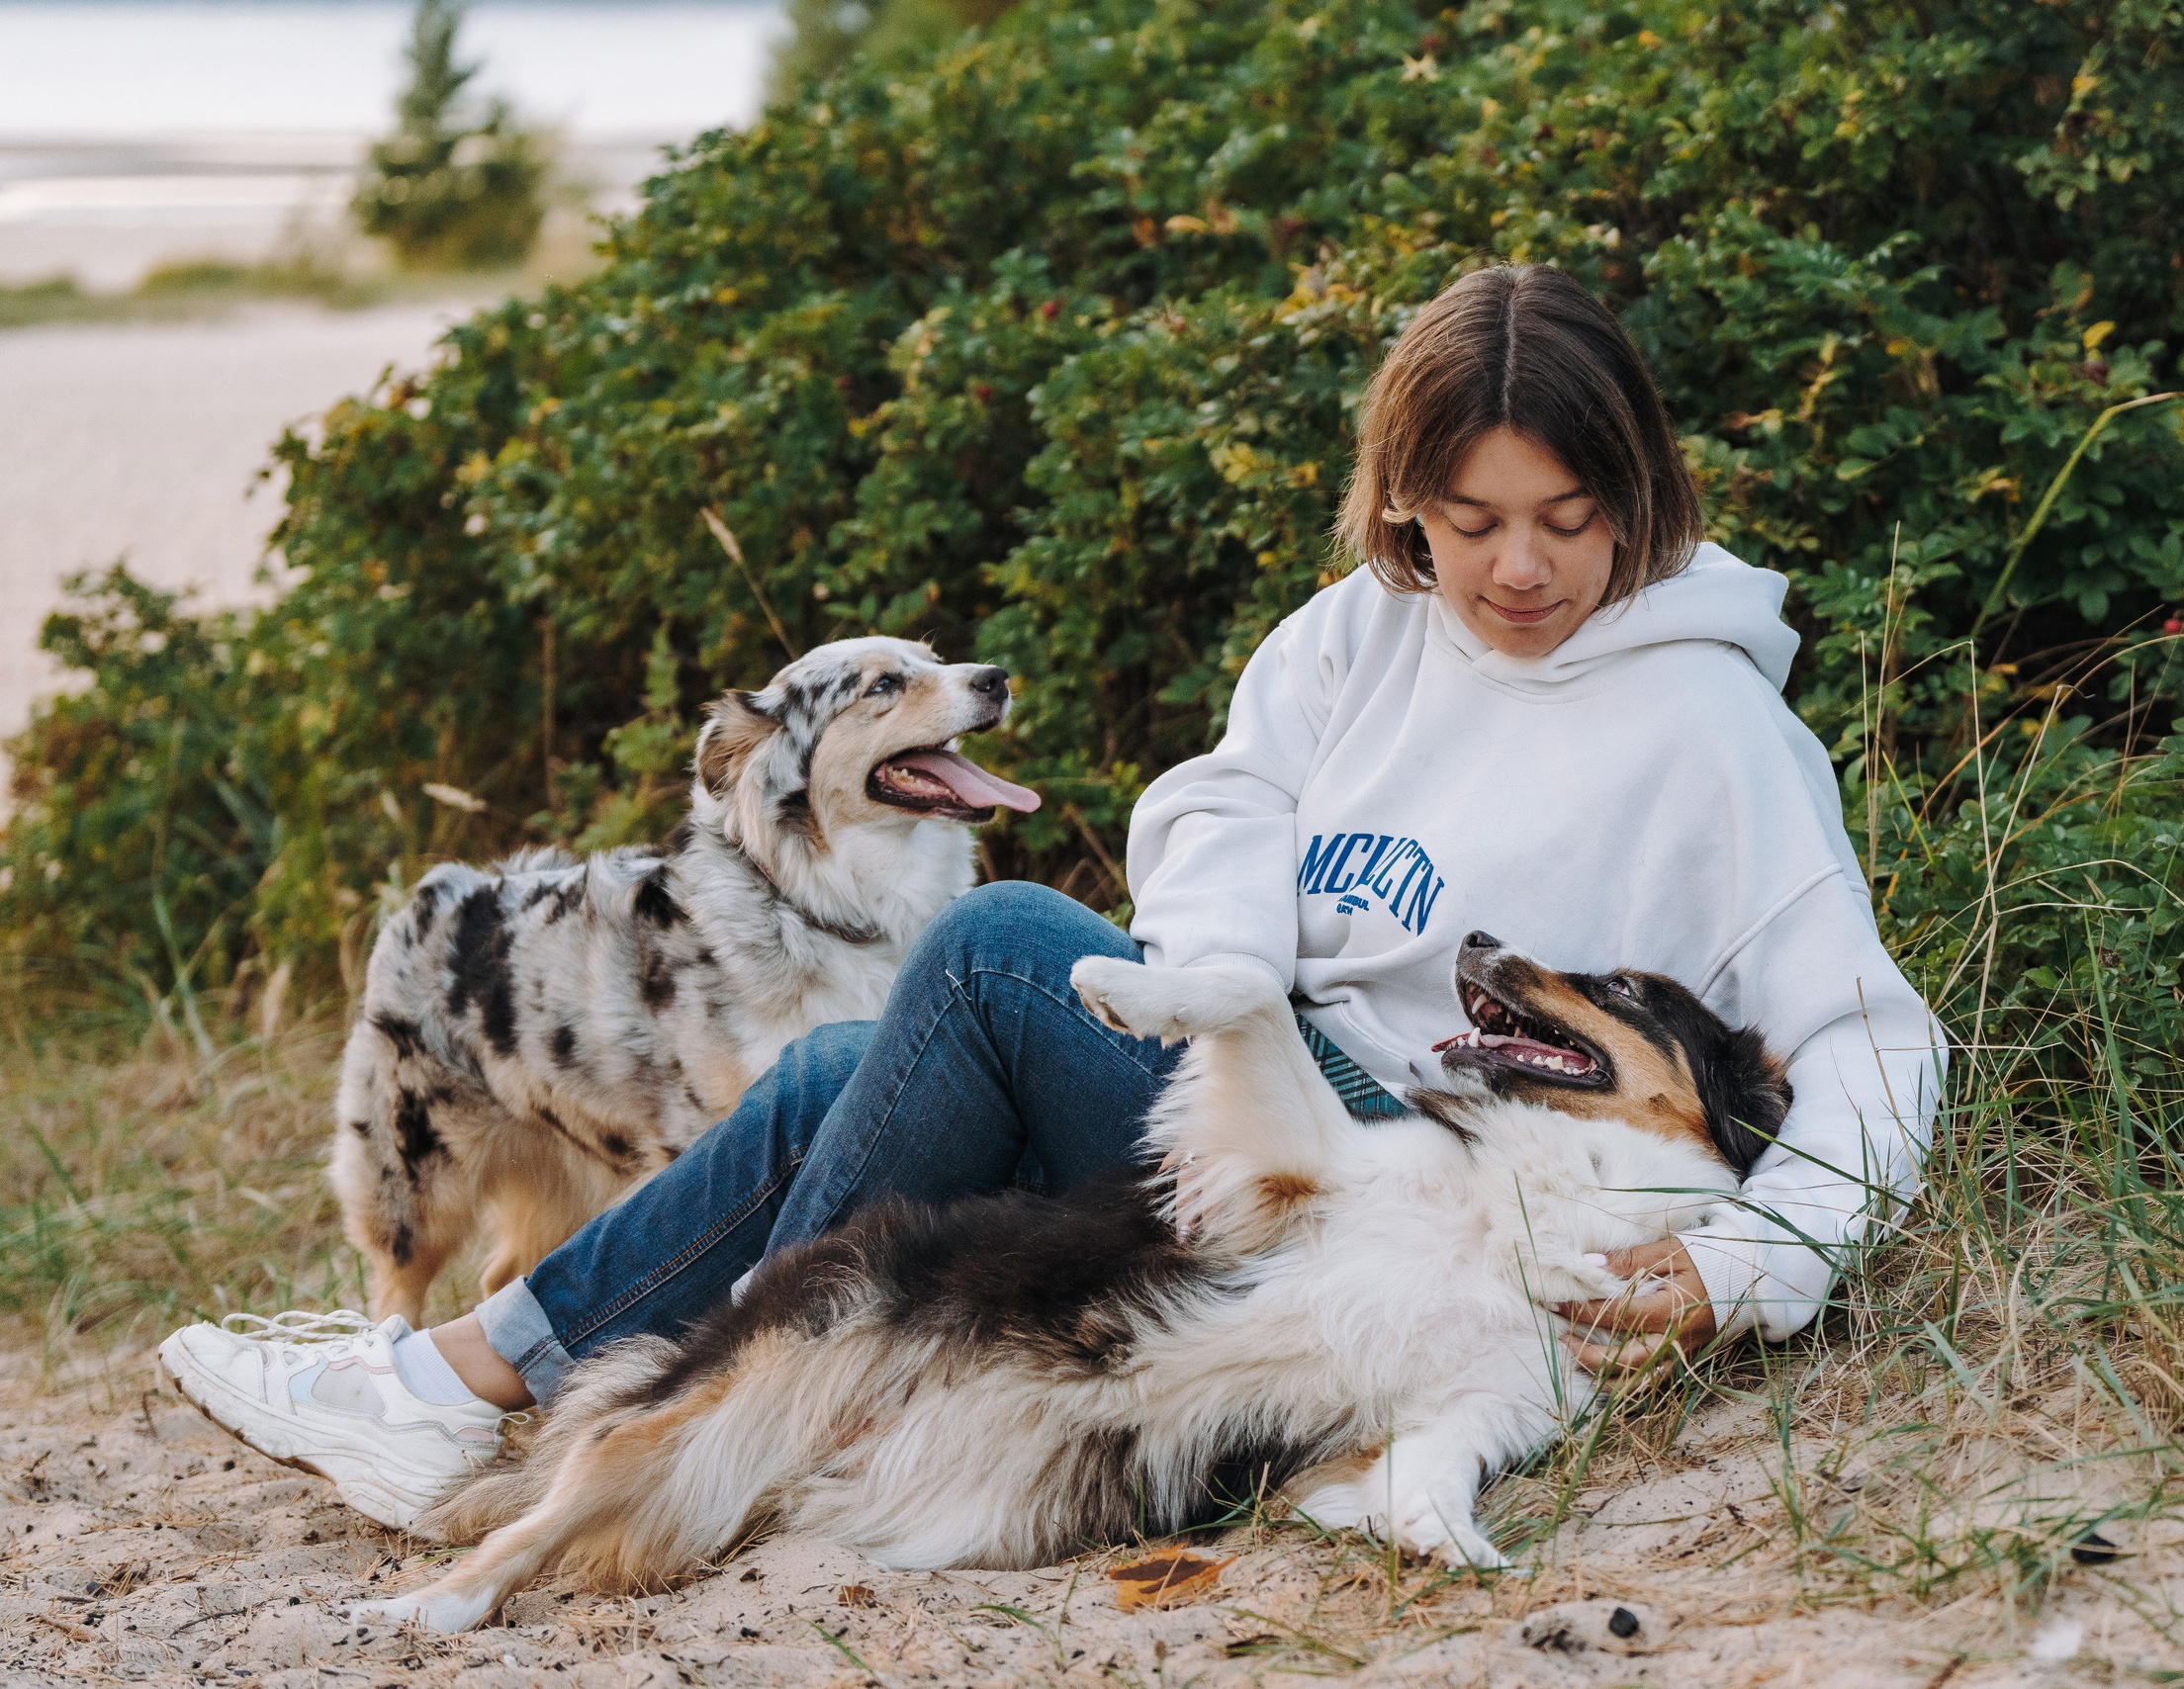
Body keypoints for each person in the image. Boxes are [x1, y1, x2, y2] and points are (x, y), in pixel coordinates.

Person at [161, 264, 1947, 1533]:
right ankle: (477, 1379)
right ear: (1402, 506)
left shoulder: (1711, 724)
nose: (1521, 568)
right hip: (1274, 1112)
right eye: (1467, 521)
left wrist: (1750, 1266)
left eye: (1567, 514)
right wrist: (1232, 959)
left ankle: (685, 1413)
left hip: (1425, 1189)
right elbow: (1226, 801)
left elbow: (1873, 1039)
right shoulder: (1365, 631)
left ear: (1637, 487)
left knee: (1002, 948)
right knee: (823, 1082)